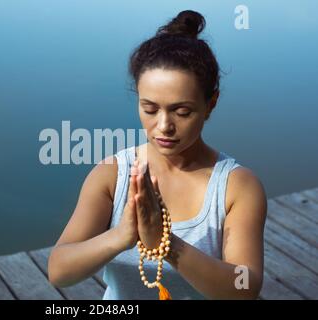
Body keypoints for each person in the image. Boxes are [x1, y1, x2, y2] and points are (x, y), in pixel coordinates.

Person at [48, 10, 267, 300]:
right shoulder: (113, 174)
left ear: (210, 104)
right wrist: (121, 236)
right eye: (150, 109)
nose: (164, 126)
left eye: (182, 111)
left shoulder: (237, 186)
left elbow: (244, 287)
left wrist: (166, 243)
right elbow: (59, 271)